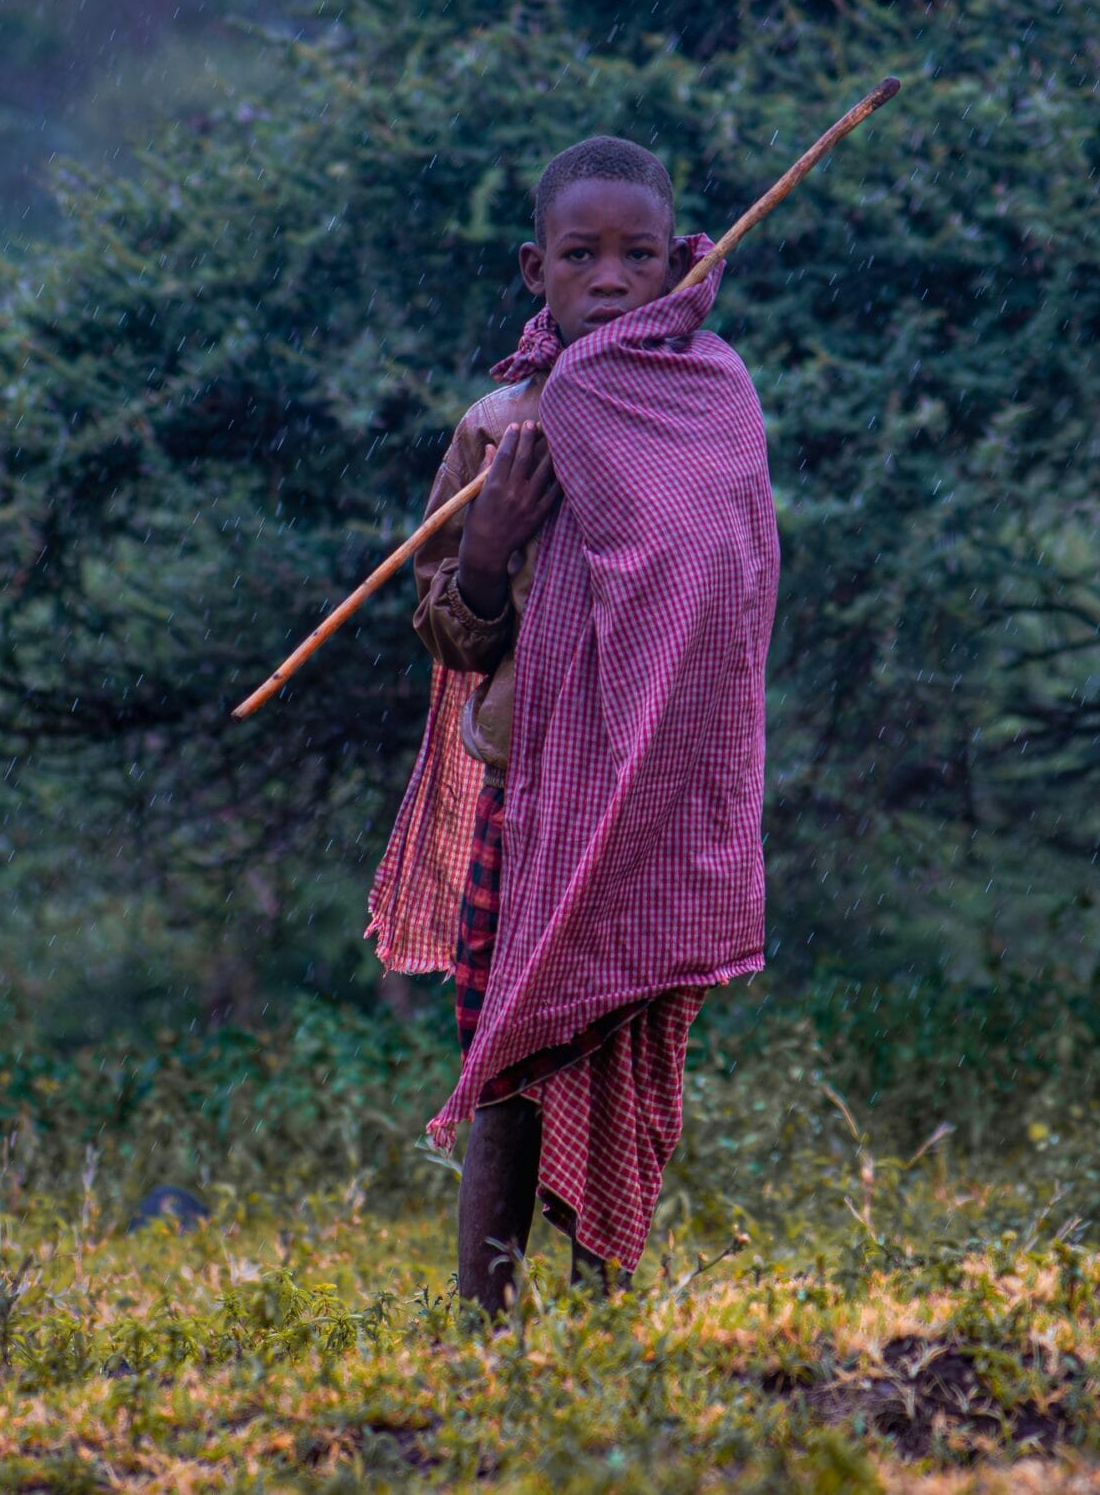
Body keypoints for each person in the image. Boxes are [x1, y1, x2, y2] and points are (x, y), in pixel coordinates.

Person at [366, 136, 778, 1317]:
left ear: (676, 262)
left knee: (627, 1043)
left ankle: (605, 1306)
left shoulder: (711, 401)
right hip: (532, 781)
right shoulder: (500, 428)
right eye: (581, 255)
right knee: (509, 1050)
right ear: (533, 267)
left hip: (652, 787)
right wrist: (490, 550)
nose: (610, 278)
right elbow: (450, 636)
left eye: (637, 255)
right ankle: (480, 1314)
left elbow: (730, 586)